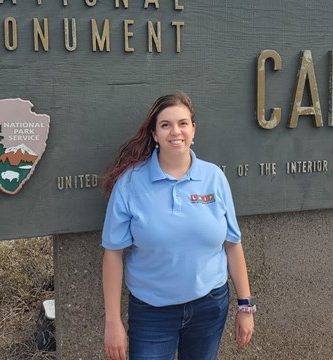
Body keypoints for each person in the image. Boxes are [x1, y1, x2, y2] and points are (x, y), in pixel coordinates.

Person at [101, 92, 255, 360]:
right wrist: (112, 322)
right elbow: (113, 253)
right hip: (152, 312)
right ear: (154, 134)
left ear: (193, 130)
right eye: (165, 125)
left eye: (183, 123)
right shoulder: (130, 184)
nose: (176, 131)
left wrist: (245, 306)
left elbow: (232, 244)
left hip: (209, 307)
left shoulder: (214, 177)